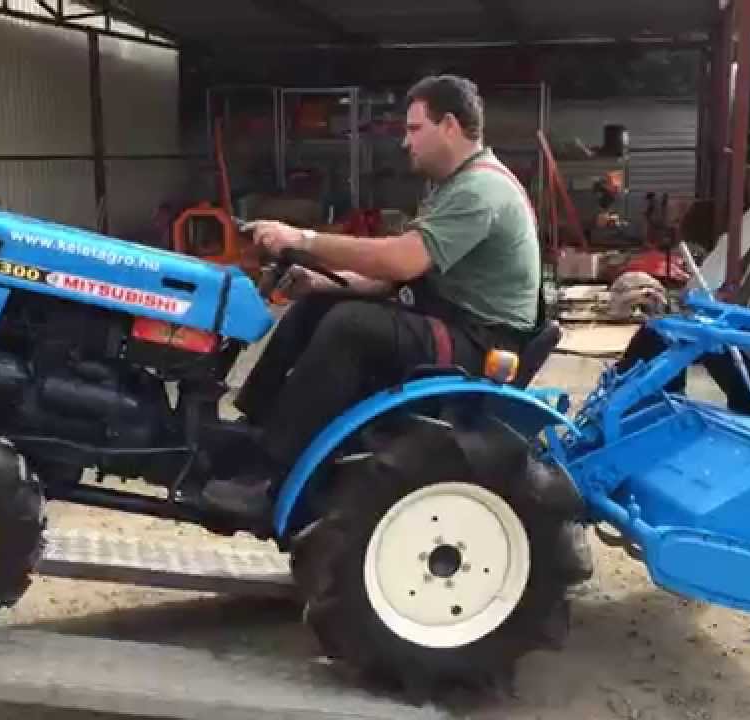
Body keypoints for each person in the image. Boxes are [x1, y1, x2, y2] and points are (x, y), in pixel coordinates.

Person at [198, 74, 543, 519]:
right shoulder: (452, 186)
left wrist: (302, 237)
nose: (406, 142)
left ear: (451, 126)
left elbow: (399, 262)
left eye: (415, 128)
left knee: (352, 328)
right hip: (450, 317)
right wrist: (321, 282)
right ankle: (254, 436)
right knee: (317, 307)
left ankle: (274, 479)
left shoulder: (481, 190)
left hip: (482, 340)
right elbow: (398, 279)